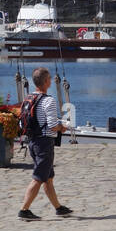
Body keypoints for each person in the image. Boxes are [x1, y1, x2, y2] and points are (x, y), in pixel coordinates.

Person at [18, 67, 73, 220]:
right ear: (46, 82)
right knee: (38, 177)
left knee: (48, 177)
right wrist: (62, 128)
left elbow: (23, 123)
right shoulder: (49, 100)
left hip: (33, 141)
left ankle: (59, 208)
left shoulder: (28, 99)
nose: (50, 81)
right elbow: (52, 125)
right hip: (44, 143)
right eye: (49, 78)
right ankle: (24, 210)